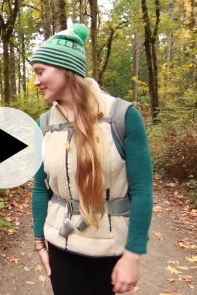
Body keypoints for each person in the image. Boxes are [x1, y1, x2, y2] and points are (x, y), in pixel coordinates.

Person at [29, 23, 153, 294]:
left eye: (40, 71)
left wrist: (133, 254)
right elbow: (40, 189)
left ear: (65, 68)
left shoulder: (123, 116)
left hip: (109, 247)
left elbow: (142, 190)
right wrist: (39, 241)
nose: (36, 81)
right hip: (60, 244)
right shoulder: (44, 124)